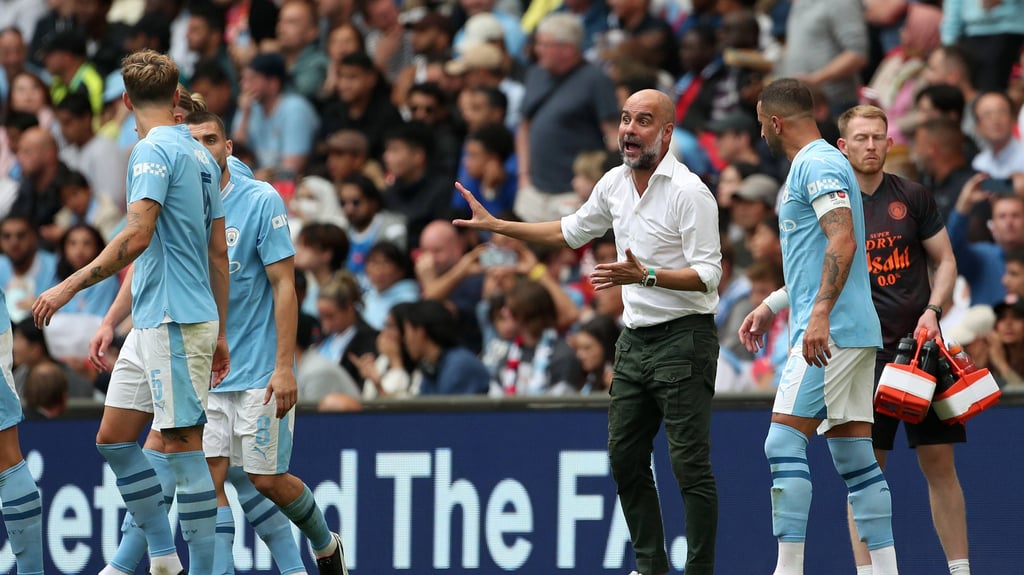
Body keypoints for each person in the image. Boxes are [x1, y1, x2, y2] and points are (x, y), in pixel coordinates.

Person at [455, 88, 721, 575]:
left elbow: (708, 276)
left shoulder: (690, 192)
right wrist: (499, 225)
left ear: (666, 133)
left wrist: (647, 276)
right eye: (625, 119)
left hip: (685, 338)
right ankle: (651, 566)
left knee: (689, 466)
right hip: (634, 340)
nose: (629, 130)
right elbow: (568, 231)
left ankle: (700, 569)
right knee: (623, 458)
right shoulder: (615, 183)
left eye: (643, 121)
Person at [31, 50, 229, 575]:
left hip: (177, 321)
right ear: (176, 96)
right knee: (114, 440)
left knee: (187, 454)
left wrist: (69, 285)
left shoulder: (149, 153)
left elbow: (137, 235)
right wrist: (223, 329)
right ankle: (163, 557)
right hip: (156, 321)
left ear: (124, 101)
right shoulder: (204, 157)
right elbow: (216, 254)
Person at [738, 79, 897, 575]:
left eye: (762, 122)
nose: (760, 131)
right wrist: (774, 303)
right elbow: (817, 259)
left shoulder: (816, 163)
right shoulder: (823, 163)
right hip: (848, 328)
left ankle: (788, 570)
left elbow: (843, 243)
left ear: (776, 122)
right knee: (854, 457)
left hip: (832, 333)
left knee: (782, 443)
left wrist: (821, 315)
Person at [185, 110, 350, 574]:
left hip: (258, 369)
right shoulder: (180, 205)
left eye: (212, 139)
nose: (204, 149)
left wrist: (284, 367)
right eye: (194, 141)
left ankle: (325, 542)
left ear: (229, 147)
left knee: (266, 479)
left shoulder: (260, 200)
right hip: (207, 371)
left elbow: (285, 286)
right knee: (208, 479)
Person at [836, 105, 967, 575]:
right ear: (842, 146)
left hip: (919, 353)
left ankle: (960, 570)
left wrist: (934, 311)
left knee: (940, 466)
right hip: (861, 357)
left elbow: (946, 261)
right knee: (864, 475)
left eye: (878, 137)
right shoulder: (833, 208)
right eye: (861, 138)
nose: (871, 146)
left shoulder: (913, 196)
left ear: (890, 144)